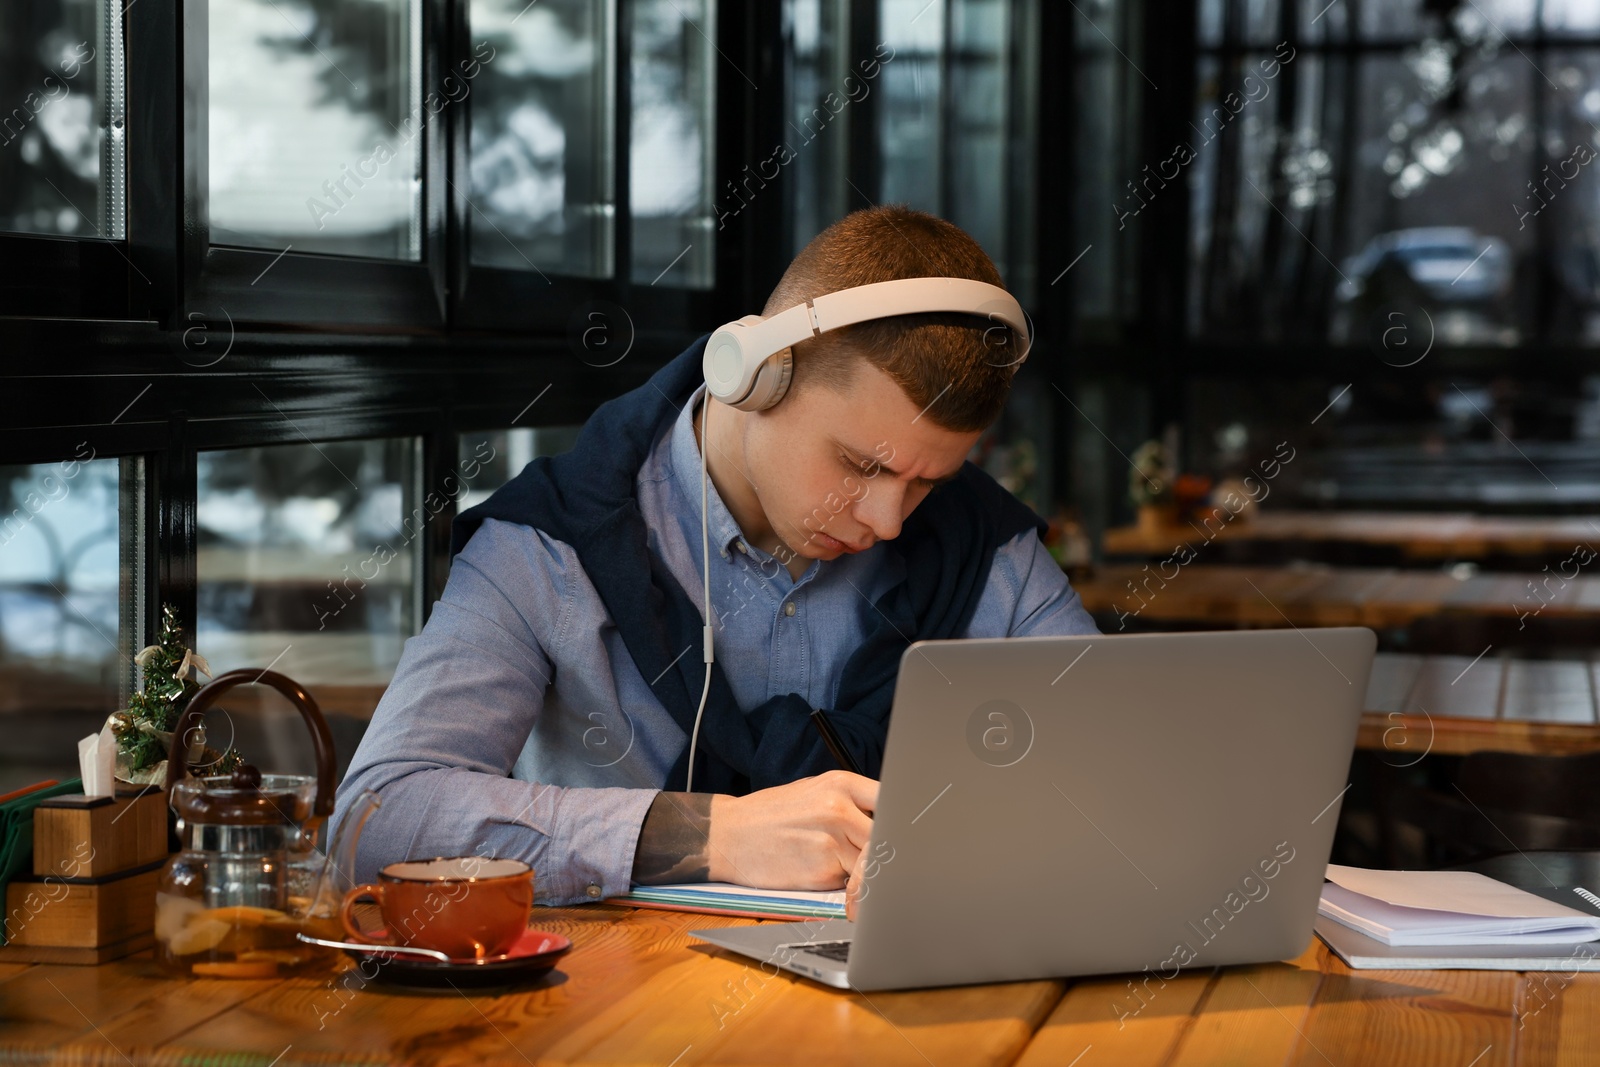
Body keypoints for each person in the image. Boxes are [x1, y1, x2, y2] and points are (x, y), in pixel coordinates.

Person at [331, 205, 1099, 914]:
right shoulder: (545, 542)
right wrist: (708, 834)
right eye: (862, 465)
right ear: (759, 377)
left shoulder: (989, 546)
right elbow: (375, 818)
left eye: (927, 482)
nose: (889, 520)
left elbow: (1118, 785)